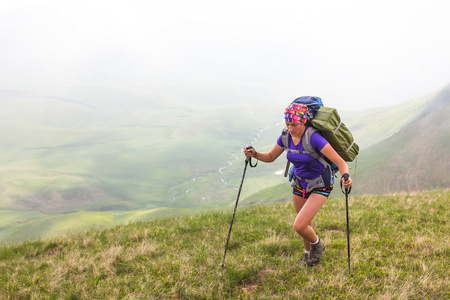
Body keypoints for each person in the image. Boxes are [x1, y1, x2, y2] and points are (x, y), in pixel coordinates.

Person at [243, 102, 353, 266]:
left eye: (293, 124)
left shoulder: (314, 137)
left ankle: (318, 245)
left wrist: (346, 177)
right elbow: (271, 156)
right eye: (287, 124)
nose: (290, 128)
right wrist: (255, 154)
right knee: (306, 224)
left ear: (304, 122)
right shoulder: (286, 136)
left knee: (299, 225)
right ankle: (309, 256)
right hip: (299, 183)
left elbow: (340, 162)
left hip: (320, 185)